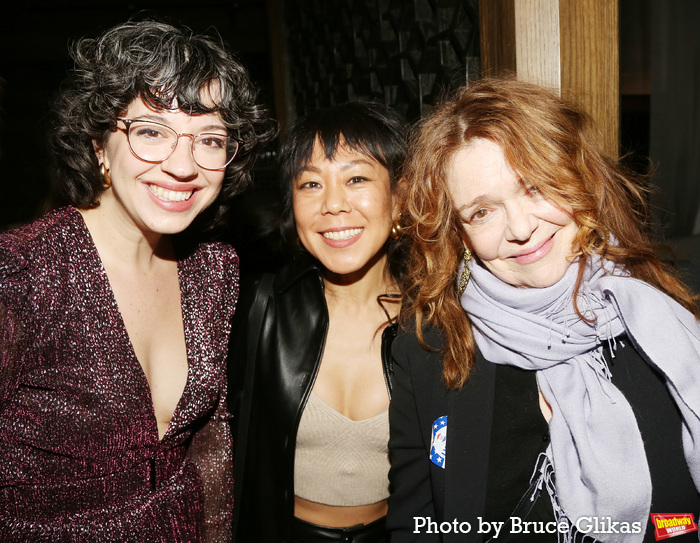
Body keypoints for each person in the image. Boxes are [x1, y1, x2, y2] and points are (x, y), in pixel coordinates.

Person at [388, 78, 700, 543]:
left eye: (534, 187)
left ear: (576, 177)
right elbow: (415, 528)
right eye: (481, 213)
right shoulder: (426, 351)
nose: (520, 228)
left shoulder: (672, 314)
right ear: (458, 235)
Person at [0, 20, 275, 542]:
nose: (182, 165)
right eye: (151, 131)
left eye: (209, 139)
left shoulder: (214, 270)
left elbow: (210, 446)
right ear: (100, 143)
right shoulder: (20, 274)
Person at [229, 101, 408, 542]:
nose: (332, 205)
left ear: (401, 197)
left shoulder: (441, 323)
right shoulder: (255, 307)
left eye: (357, 178)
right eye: (310, 183)